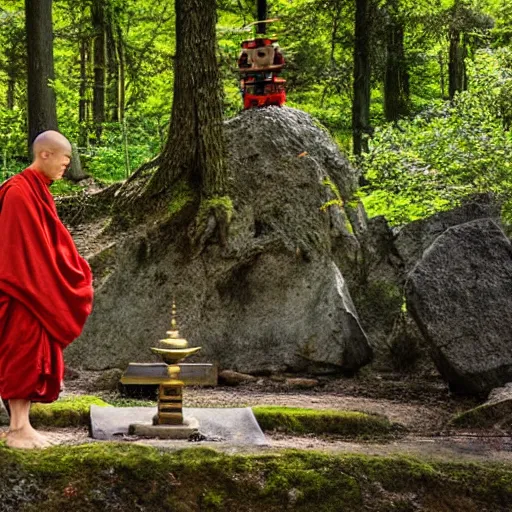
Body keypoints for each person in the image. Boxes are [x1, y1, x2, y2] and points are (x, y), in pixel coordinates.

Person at [0, 130, 93, 449]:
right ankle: (16, 429)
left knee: (31, 354)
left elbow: (47, 243)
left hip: (32, 288)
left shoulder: (38, 191)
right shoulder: (18, 193)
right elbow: (17, 252)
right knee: (22, 354)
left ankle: (22, 425)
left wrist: (68, 265)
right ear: (45, 155)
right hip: (21, 291)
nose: (65, 168)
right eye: (64, 162)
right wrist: (48, 283)